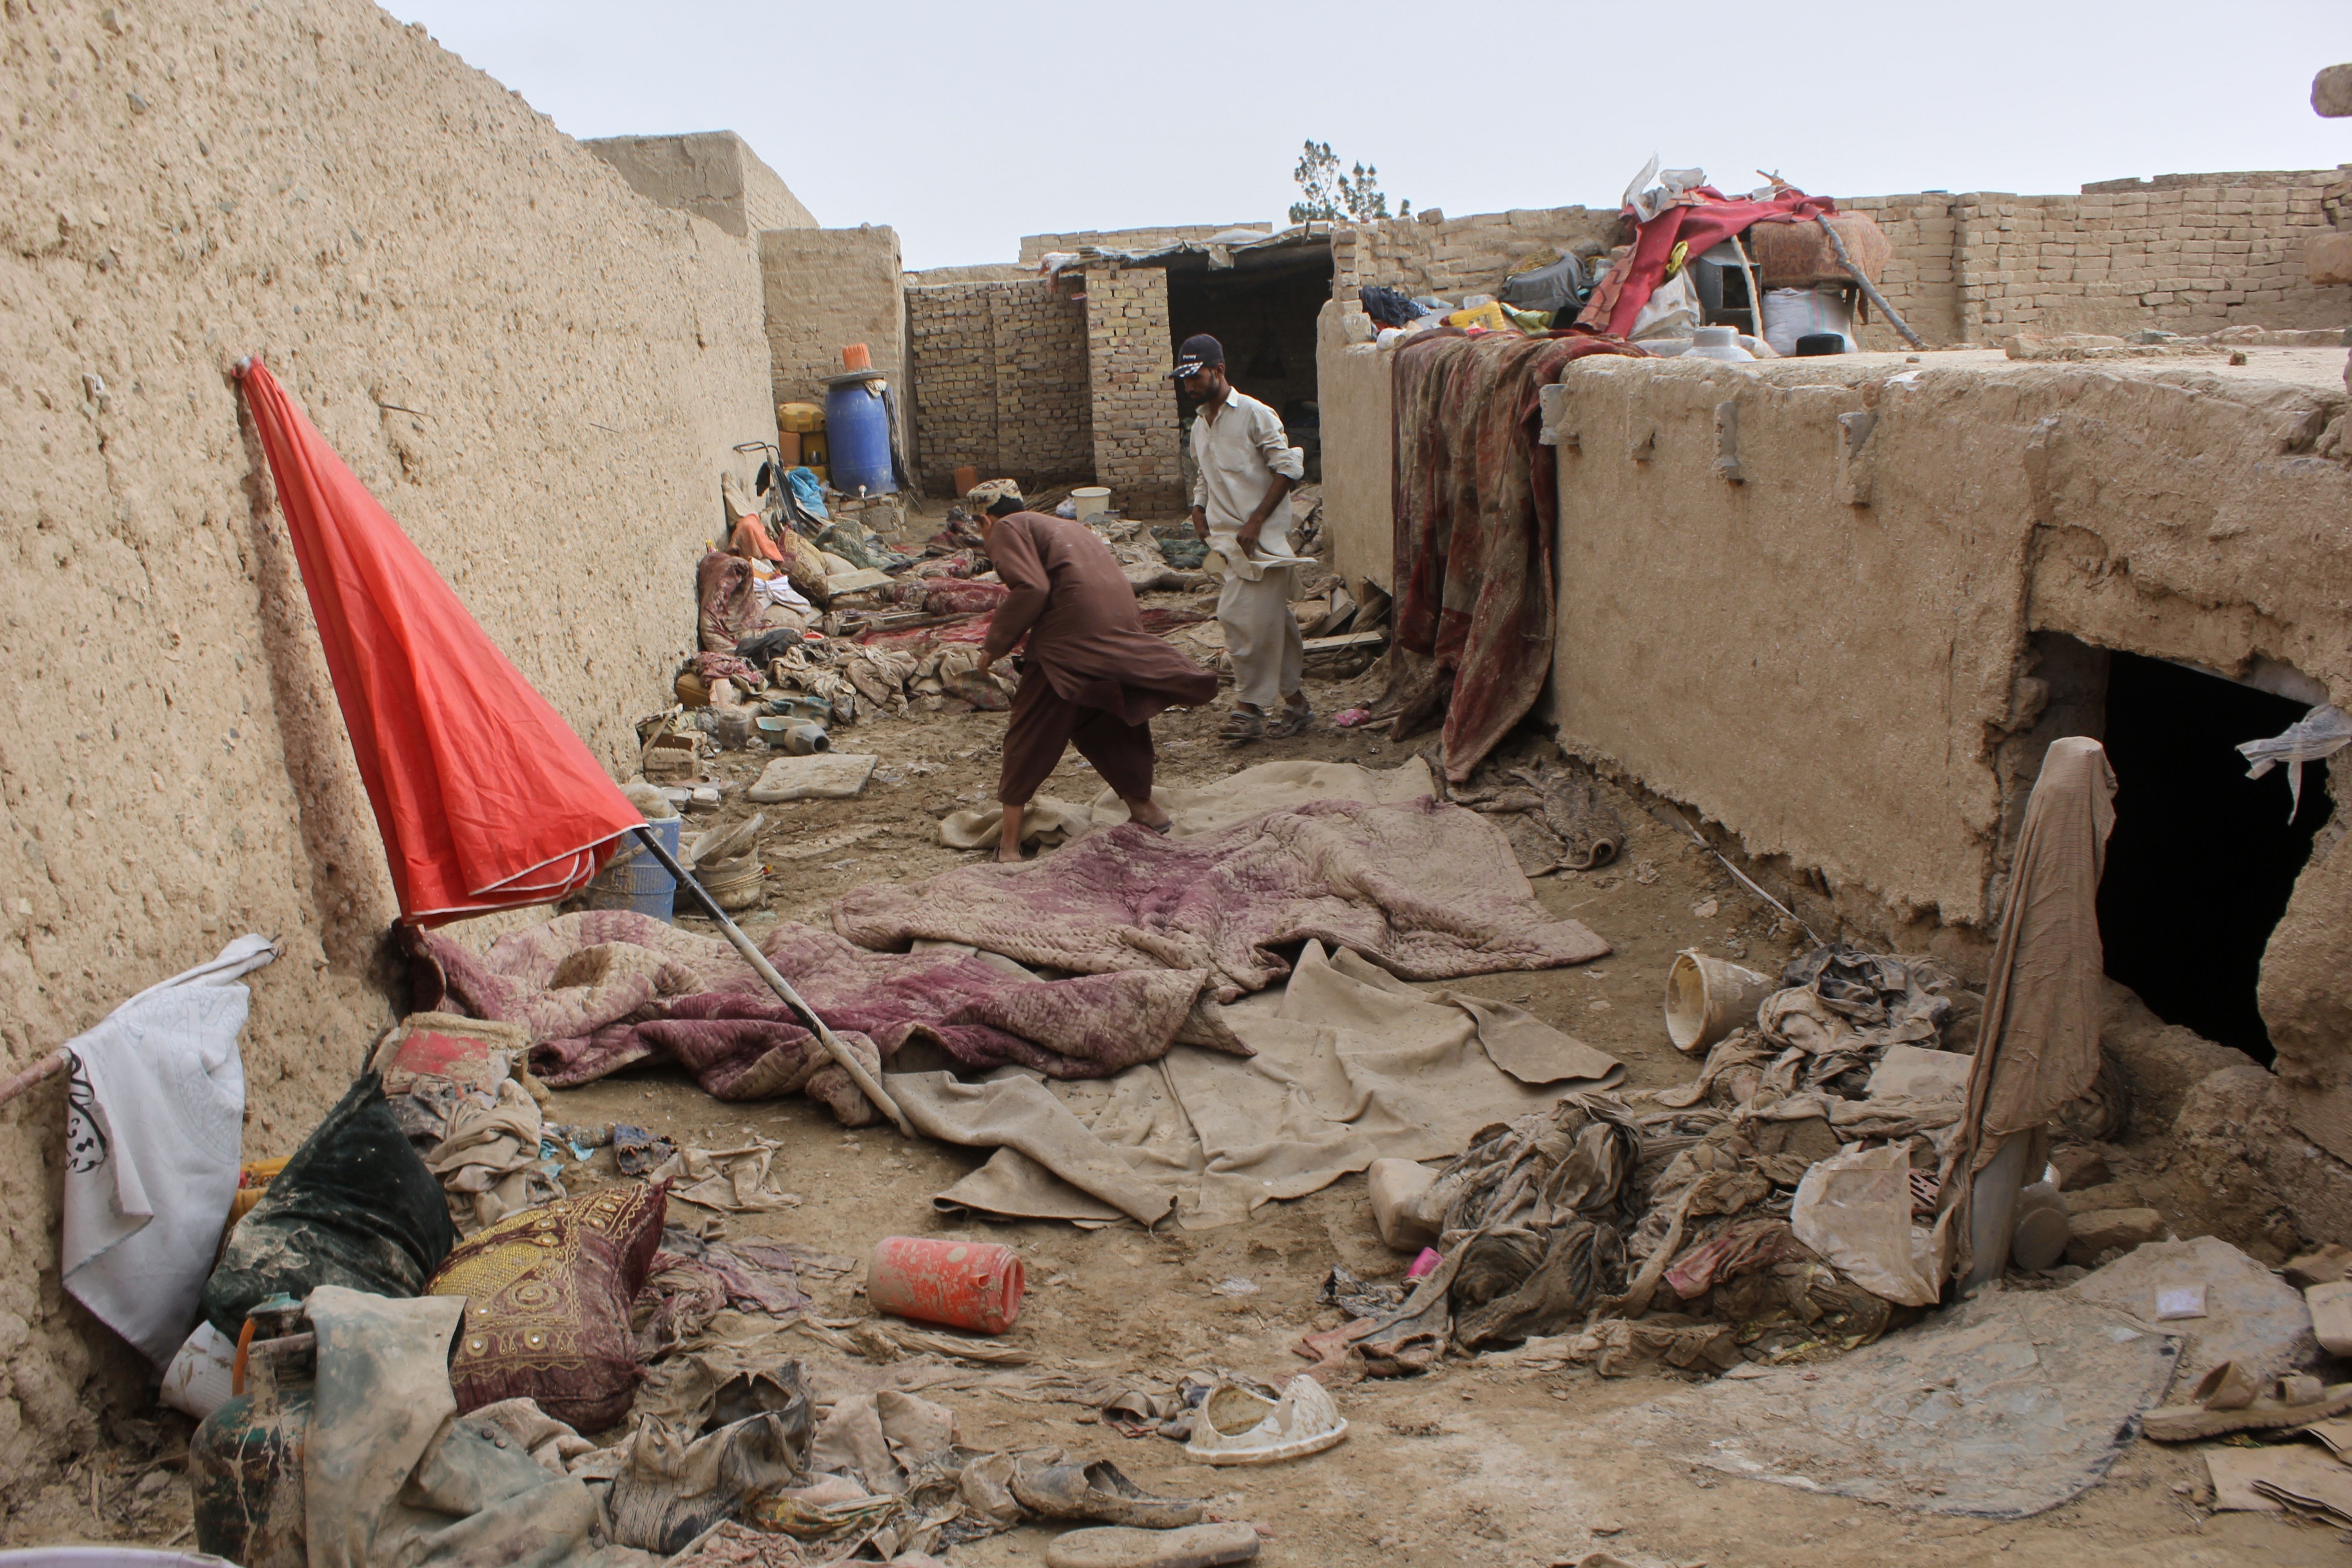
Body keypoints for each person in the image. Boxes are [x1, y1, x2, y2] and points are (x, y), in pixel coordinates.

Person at [969, 481, 1217, 863]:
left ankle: (1009, 847)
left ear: (985, 520)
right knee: (1103, 716)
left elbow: (1031, 588)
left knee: (1030, 729)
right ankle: (1146, 810)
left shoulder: (1005, 529)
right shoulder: (1065, 527)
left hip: (1072, 635)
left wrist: (994, 645)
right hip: (1119, 620)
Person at [1176, 333, 1310, 741]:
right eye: (1185, 379)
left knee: (1237, 616)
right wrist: (1199, 508)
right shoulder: (1201, 426)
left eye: (1196, 376)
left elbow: (1288, 469)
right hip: (1228, 543)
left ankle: (1248, 708)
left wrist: (1256, 520)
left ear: (1219, 370)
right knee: (1272, 625)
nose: (1190, 385)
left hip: (1262, 543)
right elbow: (1205, 475)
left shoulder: (1255, 414)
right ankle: (1297, 704)